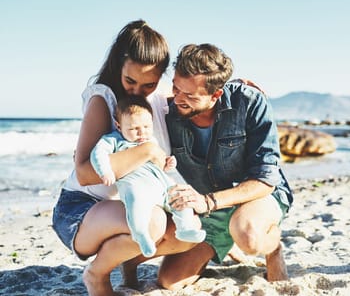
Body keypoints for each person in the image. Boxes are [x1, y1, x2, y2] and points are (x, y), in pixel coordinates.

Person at [52, 19, 199, 296]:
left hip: (128, 204)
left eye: (148, 84)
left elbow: (199, 90)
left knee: (187, 230)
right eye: (130, 80)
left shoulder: (156, 98)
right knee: (153, 223)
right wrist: (145, 151)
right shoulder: (103, 100)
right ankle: (97, 274)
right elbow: (84, 173)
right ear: (118, 64)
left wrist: (237, 88)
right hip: (82, 208)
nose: (136, 91)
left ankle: (127, 261)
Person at [158, 43, 294, 289]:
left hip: (258, 197)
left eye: (190, 95)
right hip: (211, 207)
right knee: (169, 281)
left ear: (216, 94)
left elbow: (265, 178)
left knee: (249, 237)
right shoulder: (168, 109)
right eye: (176, 88)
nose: (178, 99)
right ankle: (225, 241)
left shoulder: (249, 102)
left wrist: (208, 201)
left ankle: (272, 247)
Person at [90, 95, 206, 258]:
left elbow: (158, 163)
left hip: (161, 184)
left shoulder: (151, 140)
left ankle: (185, 229)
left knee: (180, 196)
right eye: (133, 129)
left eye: (146, 126)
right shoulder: (113, 140)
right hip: (136, 184)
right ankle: (140, 233)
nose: (141, 132)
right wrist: (105, 171)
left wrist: (168, 163)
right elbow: (98, 154)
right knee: (137, 204)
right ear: (118, 126)